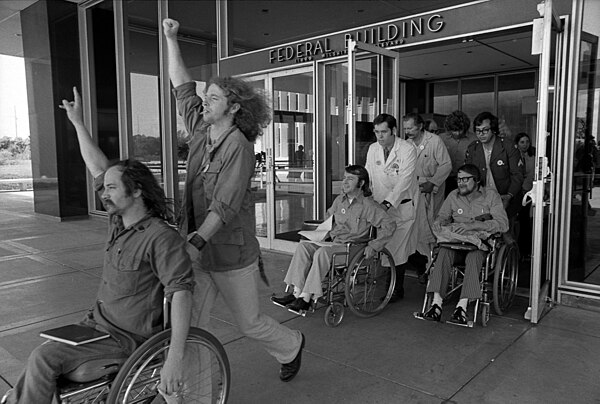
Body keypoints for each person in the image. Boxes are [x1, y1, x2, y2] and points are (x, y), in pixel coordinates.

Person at [1, 87, 194, 404]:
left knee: (42, 358)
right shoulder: (119, 222)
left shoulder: (161, 237)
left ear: (136, 193)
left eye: (112, 188)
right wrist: (77, 122)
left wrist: (175, 357)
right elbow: (96, 165)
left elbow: (182, 292)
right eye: (104, 187)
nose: (103, 193)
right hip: (95, 327)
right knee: (43, 356)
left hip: (126, 340)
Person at [163, 18, 305, 383]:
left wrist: (194, 242)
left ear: (234, 108)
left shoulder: (238, 148)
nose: (204, 102)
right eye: (206, 97)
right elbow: (181, 86)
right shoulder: (200, 127)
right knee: (190, 326)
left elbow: (223, 207)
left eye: (213, 98)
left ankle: (291, 344)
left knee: (249, 323)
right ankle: (192, 393)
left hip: (227, 252)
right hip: (196, 246)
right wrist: (171, 38)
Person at [271, 165, 396, 311]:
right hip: (335, 244)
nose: (345, 182)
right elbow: (328, 219)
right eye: (344, 178)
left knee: (321, 253)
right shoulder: (339, 201)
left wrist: (374, 245)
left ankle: (306, 298)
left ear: (361, 183)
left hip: (352, 249)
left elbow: (390, 225)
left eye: (350, 179)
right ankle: (296, 293)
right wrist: (322, 231)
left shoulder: (368, 206)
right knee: (303, 247)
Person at [423, 164, 509, 325]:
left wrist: (475, 225)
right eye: (458, 179)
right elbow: (442, 216)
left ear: (476, 181)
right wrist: (439, 223)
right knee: (442, 253)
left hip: (478, 244)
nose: (460, 183)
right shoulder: (453, 196)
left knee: (474, 258)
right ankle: (436, 304)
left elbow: (503, 224)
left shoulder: (491, 196)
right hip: (455, 243)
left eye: (465, 179)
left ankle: (462, 307)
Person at [365, 113, 419, 302]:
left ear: (394, 131)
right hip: (380, 207)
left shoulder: (407, 149)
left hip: (401, 206)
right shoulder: (373, 149)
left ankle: (394, 290)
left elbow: (405, 180)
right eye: (377, 132)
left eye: (384, 132)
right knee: (391, 246)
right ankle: (420, 263)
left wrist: (388, 203)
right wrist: (365, 194)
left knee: (396, 248)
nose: (380, 136)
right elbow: (369, 174)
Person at [403, 113, 452, 277]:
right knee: (417, 228)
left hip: (432, 190)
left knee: (433, 226)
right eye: (405, 128)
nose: (407, 131)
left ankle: (435, 267)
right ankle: (423, 266)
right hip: (414, 190)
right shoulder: (406, 144)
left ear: (420, 126)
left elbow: (446, 165)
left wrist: (433, 183)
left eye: (410, 128)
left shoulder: (434, 141)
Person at [465, 111, 523, 222]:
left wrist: (509, 195)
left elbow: (517, 175)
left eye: (485, 130)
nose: (481, 134)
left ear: (494, 130)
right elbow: (468, 175)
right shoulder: (473, 148)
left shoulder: (508, 146)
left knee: (507, 233)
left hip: (507, 199)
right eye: (478, 131)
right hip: (482, 202)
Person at [440, 110, 477, 197]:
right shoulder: (441, 138)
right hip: (445, 180)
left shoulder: (474, 139)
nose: (457, 133)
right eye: (454, 130)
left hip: (466, 180)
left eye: (460, 130)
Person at [515, 132, 535, 256]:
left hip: (526, 191)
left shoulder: (532, 156)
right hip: (515, 190)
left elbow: (532, 174)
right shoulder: (514, 155)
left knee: (524, 220)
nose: (525, 144)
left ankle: (525, 249)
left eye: (527, 142)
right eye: (522, 142)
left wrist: (524, 189)